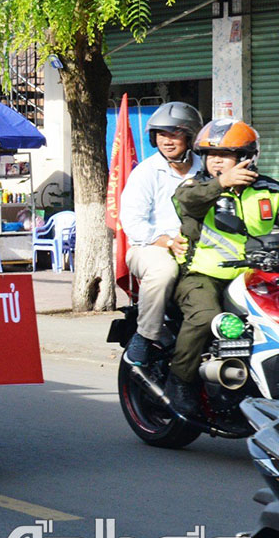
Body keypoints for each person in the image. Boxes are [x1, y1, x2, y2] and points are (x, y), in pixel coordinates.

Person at [167, 118, 279, 417]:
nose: (215, 161)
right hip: (204, 275)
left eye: (224, 155)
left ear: (246, 158)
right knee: (206, 318)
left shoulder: (270, 190)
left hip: (258, 276)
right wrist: (221, 184)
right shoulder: (196, 188)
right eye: (209, 155)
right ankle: (180, 381)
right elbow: (186, 203)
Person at [119, 101, 203, 366]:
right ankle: (145, 336)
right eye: (161, 135)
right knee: (164, 270)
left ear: (190, 137)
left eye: (175, 134)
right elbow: (133, 223)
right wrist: (167, 241)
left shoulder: (206, 169)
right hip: (150, 248)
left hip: (202, 247)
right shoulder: (145, 172)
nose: (167, 141)